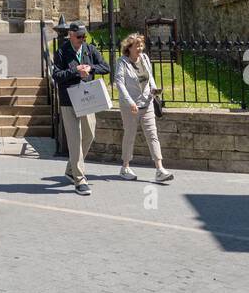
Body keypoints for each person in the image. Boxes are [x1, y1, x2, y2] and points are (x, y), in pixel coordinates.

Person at [52, 21, 110, 195]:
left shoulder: (89, 49)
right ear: (70, 35)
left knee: (89, 134)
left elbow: (105, 67)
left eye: (84, 36)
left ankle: (71, 169)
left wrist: (90, 68)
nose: (82, 39)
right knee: (74, 139)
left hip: (86, 99)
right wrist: (75, 71)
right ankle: (79, 179)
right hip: (68, 100)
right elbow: (56, 75)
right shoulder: (62, 52)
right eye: (79, 37)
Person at [114, 33, 174, 184]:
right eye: (137, 46)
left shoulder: (145, 59)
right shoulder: (122, 62)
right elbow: (120, 84)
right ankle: (125, 167)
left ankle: (160, 169)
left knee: (152, 135)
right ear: (129, 48)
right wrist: (130, 102)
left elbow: (150, 77)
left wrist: (154, 89)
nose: (140, 49)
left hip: (146, 103)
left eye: (141, 45)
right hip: (130, 106)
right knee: (130, 135)